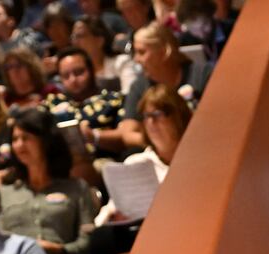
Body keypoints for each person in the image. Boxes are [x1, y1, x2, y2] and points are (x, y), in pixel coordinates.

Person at [0, 107, 97, 254]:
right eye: (15, 139)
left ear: (46, 141)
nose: (19, 145)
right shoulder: (5, 192)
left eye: (26, 138)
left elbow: (87, 243)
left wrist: (58, 249)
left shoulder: (76, 188)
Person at [94, 81, 188, 229]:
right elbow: (108, 214)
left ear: (177, 117)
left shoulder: (196, 161)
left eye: (157, 115)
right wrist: (113, 217)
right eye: (146, 116)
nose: (150, 122)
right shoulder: (135, 163)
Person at [117, 22, 212, 150]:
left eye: (141, 52)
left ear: (165, 51)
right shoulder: (139, 87)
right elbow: (128, 134)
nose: (136, 59)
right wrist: (162, 142)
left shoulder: (203, 74)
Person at [44, 47, 128, 158]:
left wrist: (94, 136)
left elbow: (126, 137)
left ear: (92, 70)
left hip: (104, 161)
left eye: (79, 72)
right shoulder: (52, 102)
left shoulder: (113, 100)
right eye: (66, 76)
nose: (73, 79)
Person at [1, 47, 56, 113]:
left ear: (31, 67)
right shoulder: (5, 99)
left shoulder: (49, 92)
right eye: (9, 67)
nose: (14, 71)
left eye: (18, 65)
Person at [39, 3, 79, 74]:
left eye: (59, 25)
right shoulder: (47, 52)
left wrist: (58, 65)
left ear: (68, 26)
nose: (55, 30)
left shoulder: (78, 47)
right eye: (51, 26)